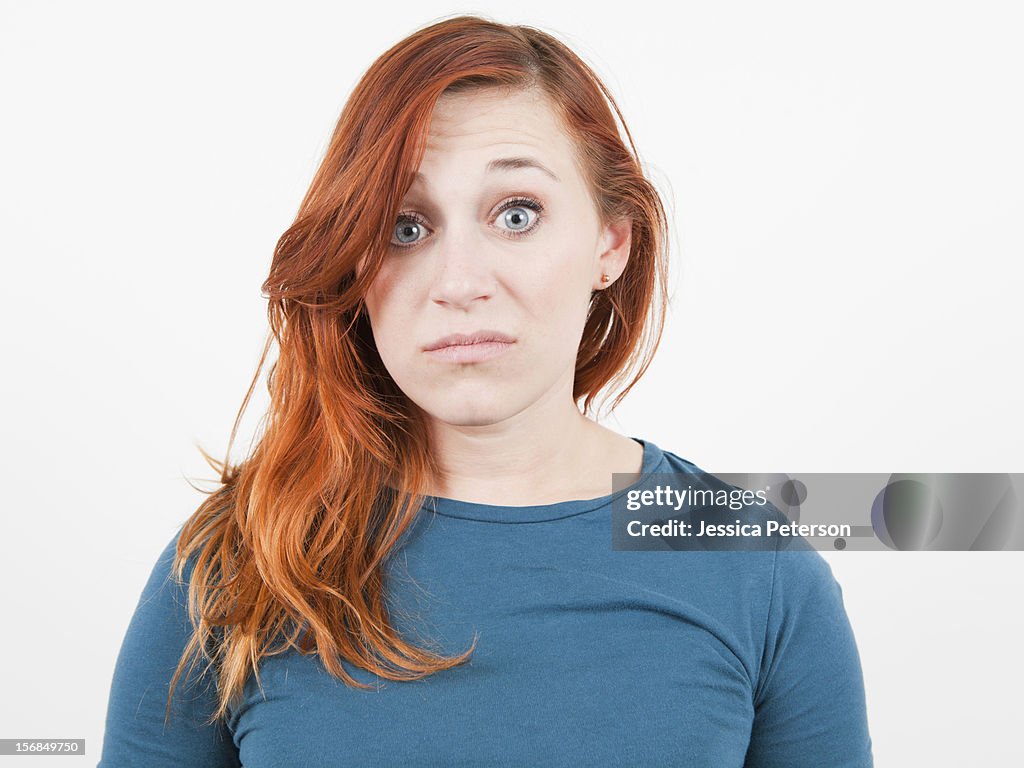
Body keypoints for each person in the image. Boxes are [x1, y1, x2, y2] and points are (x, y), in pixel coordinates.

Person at [98, 14, 873, 767]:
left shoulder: (756, 567)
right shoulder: (237, 560)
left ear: (612, 241)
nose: (460, 283)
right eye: (405, 226)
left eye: (516, 213)